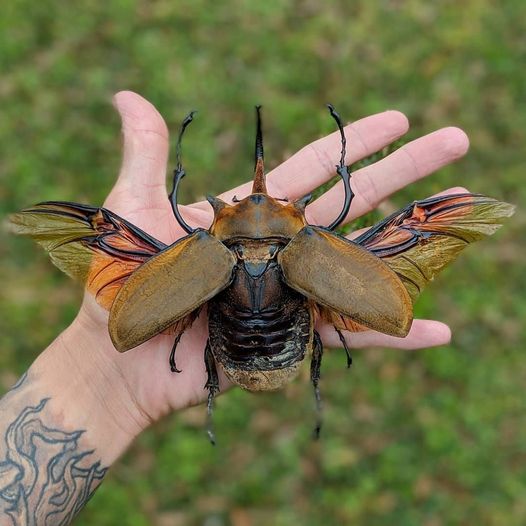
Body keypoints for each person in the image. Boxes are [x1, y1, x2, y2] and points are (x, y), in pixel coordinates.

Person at [0, 91, 469, 524]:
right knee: (396, 237)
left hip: (234, 349)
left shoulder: (206, 249)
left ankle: (250, 390)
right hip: (276, 350)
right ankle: (314, 390)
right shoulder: (297, 247)